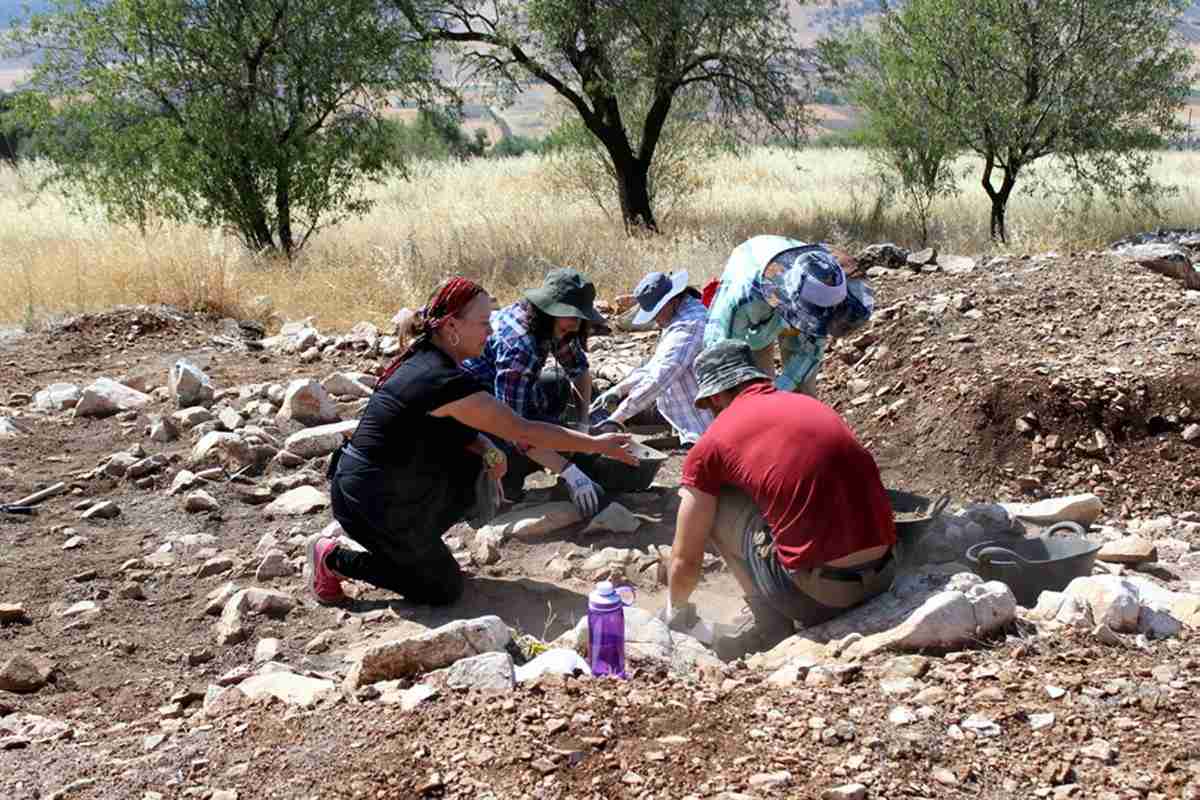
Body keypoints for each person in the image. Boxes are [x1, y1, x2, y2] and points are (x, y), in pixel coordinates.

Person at [306, 277, 637, 607]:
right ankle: (333, 558)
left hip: (388, 483)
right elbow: (521, 430)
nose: (490, 332)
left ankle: (414, 547)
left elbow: (447, 424)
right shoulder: (438, 377)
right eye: (483, 324)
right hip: (368, 498)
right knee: (443, 589)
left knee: (480, 467)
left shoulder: (432, 358)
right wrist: (596, 447)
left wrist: (485, 447)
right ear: (452, 327)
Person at [658, 339, 897, 662]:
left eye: (710, 406)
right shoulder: (810, 405)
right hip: (884, 575)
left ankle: (769, 625)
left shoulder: (712, 444)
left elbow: (686, 558)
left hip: (819, 597)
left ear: (715, 395)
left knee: (712, 500)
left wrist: (676, 609)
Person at [463, 268, 609, 516]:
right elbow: (512, 428)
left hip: (510, 392)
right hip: (473, 411)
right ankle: (495, 482)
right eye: (570, 316)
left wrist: (583, 425)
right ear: (549, 308)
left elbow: (579, 370)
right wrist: (569, 471)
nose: (575, 325)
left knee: (560, 389)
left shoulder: (554, 323)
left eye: (579, 317)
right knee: (516, 450)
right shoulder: (521, 346)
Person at [703, 235, 873, 397]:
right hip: (755, 298)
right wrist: (761, 396)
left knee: (803, 391)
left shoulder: (828, 284)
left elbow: (809, 352)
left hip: (793, 292)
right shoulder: (744, 296)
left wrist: (780, 390)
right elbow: (719, 349)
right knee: (754, 384)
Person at [590, 270, 713, 446]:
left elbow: (662, 376)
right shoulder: (678, 314)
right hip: (694, 419)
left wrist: (616, 419)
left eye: (656, 312)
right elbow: (656, 364)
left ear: (671, 300)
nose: (655, 319)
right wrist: (618, 390)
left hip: (705, 423)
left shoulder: (690, 324)